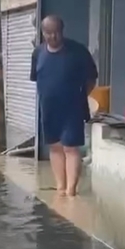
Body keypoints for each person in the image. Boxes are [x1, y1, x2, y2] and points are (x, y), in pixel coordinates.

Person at [30, 15, 98, 197]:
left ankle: (71, 189)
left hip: (73, 108)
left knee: (71, 147)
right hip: (49, 108)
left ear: (62, 31)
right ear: (43, 33)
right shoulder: (38, 53)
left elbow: (92, 78)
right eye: (48, 33)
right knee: (55, 147)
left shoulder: (78, 51)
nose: (53, 36)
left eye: (56, 32)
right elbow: (37, 79)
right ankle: (60, 187)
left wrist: (80, 96)